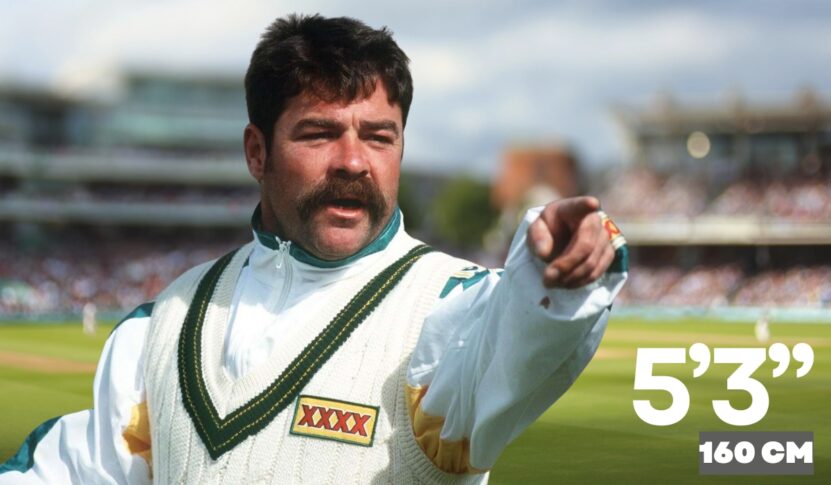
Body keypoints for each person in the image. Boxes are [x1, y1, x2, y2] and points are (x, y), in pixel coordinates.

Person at [0, 14, 628, 484]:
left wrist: (553, 272)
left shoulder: (446, 309)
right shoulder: (161, 324)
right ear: (257, 152)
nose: (353, 161)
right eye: (319, 133)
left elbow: (515, 337)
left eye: (379, 137)